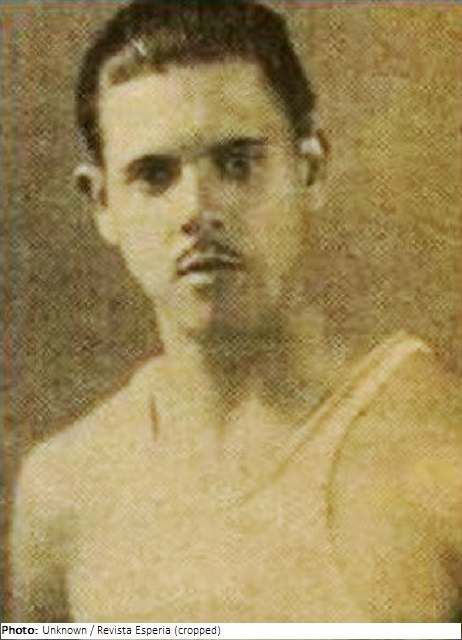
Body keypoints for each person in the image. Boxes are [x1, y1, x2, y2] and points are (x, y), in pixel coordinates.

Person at [10, 0, 462, 623]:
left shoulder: (438, 452)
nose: (198, 209)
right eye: (154, 175)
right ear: (102, 204)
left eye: (238, 163)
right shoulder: (64, 490)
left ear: (310, 169)